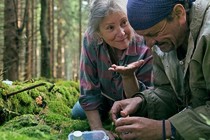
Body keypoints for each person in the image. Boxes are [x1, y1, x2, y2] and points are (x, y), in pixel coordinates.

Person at [110, 0, 210, 140]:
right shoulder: (164, 43)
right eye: (144, 37)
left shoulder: (207, 34)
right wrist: (142, 101)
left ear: (179, 13)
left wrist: (166, 128)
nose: (150, 44)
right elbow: (169, 93)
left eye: (152, 33)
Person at [71, 0, 153, 139]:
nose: (121, 33)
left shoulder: (144, 40)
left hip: (136, 102)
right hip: (104, 98)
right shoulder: (91, 40)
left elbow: (145, 97)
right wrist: (98, 129)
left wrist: (128, 76)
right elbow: (88, 87)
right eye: (110, 27)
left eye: (124, 23)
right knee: (78, 113)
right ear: (98, 33)